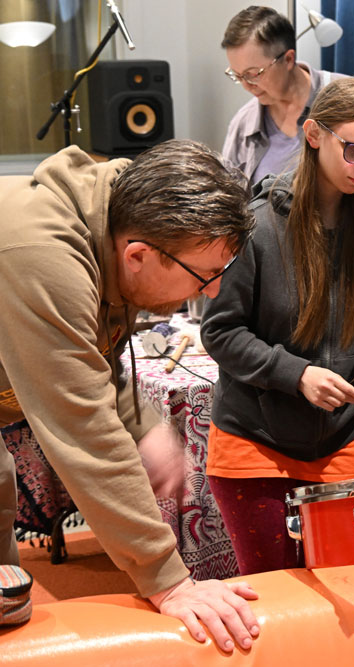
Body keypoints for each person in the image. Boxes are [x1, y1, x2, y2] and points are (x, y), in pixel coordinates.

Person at [0, 140, 260, 650]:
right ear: (137, 256)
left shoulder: (120, 223)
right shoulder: (43, 257)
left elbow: (97, 360)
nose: (211, 291)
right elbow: (82, 428)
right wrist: (168, 580)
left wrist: (142, 427)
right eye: (204, 275)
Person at [200, 77, 354, 576]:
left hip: (343, 444)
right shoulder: (256, 226)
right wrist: (298, 374)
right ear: (314, 135)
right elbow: (220, 332)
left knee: (350, 592)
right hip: (254, 446)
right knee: (276, 598)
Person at [221, 6, 354, 355]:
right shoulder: (244, 123)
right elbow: (232, 201)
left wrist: (348, 193)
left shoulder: (349, 98)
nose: (248, 85)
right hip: (289, 285)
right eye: (238, 76)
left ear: (288, 58)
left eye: (254, 73)